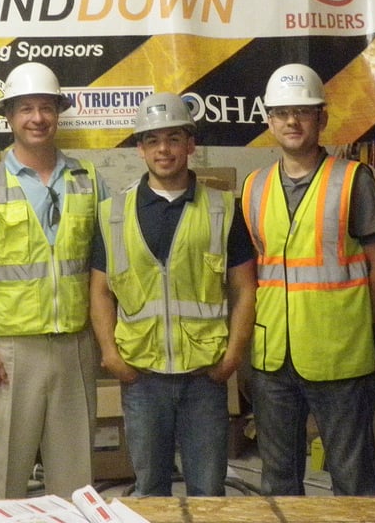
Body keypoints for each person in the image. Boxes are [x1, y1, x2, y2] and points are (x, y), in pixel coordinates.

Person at [0, 61, 108, 499]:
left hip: (75, 348)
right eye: (25, 109)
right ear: (9, 116)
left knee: (77, 482)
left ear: (58, 112)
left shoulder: (89, 180)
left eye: (46, 107)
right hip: (11, 355)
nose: (37, 118)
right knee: (5, 477)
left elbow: (109, 264)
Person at [241, 63, 375, 497]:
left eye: (303, 112)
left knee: (352, 479)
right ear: (269, 120)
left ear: (321, 119)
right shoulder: (254, 188)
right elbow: (257, 273)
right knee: (278, 479)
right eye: (282, 113)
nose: (292, 121)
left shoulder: (353, 181)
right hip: (274, 358)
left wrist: (352, 325)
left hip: (339, 358)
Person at [88, 93, 256, 496]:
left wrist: (233, 356)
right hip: (142, 377)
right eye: (153, 140)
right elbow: (99, 291)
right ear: (140, 148)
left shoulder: (222, 209)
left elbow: (245, 287)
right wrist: (111, 355)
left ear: (190, 145)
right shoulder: (113, 213)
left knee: (208, 492)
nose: (164, 149)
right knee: (149, 491)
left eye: (174, 138)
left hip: (205, 377)